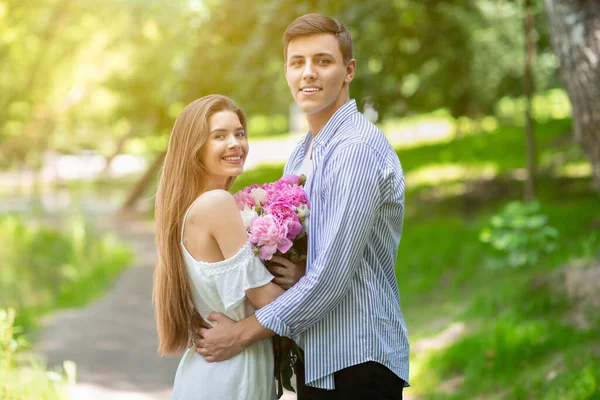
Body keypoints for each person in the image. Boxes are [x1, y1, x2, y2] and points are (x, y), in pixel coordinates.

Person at [195, 13, 410, 399]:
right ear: (287, 72)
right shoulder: (302, 152)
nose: (308, 73)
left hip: (357, 359)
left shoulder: (355, 151)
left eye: (322, 61)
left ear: (348, 70)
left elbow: (329, 277)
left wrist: (240, 336)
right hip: (319, 355)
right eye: (298, 63)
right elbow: (308, 253)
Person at [153, 94, 295, 399]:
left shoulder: (195, 207)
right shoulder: (215, 204)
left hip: (219, 371)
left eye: (240, 133)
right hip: (228, 376)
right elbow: (268, 302)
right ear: (195, 148)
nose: (235, 143)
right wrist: (308, 277)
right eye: (220, 136)